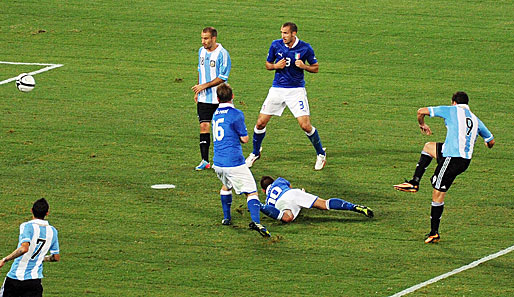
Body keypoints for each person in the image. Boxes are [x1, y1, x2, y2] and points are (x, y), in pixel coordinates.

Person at [393, 91, 495, 243]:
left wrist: (422, 124)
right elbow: (490, 141)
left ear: (454, 102)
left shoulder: (451, 109)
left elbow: (420, 111)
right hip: (462, 159)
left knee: (438, 192)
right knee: (428, 147)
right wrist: (485, 144)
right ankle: (414, 182)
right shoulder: (475, 119)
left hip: (452, 159)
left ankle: (434, 232)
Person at [245, 22, 326, 170]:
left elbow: (316, 68)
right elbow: (268, 64)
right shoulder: (276, 45)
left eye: (286, 33)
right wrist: (276, 66)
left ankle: (321, 154)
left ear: (294, 34)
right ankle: (255, 153)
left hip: (296, 91)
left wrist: (304, 67)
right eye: (282, 33)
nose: (283, 36)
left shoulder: (305, 48)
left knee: (305, 126)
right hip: (277, 89)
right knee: (260, 123)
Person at [211, 83, 271, 237]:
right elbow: (244, 139)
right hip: (234, 163)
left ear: (217, 99)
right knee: (251, 192)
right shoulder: (236, 114)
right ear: (233, 97)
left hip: (217, 163)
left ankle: (226, 218)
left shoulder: (215, 114)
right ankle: (256, 222)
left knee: (226, 186)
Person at [0, 198, 60, 296]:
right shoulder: (53, 231)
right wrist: (40, 258)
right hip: (34, 282)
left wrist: (4, 260)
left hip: (15, 278)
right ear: (47, 213)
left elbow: (24, 248)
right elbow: (56, 257)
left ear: (31, 210)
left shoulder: (26, 226)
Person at [192, 26, 231, 170]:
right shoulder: (201, 51)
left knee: (221, 129)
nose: (203, 41)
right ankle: (204, 160)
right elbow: (200, 70)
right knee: (204, 126)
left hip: (220, 97)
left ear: (214, 38)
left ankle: (223, 159)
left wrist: (204, 86)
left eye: (206, 38)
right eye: (202, 38)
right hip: (204, 98)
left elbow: (223, 77)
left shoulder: (222, 53)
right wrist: (198, 89)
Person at [259, 176, 374, 222]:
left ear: (264, 191)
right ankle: (354, 207)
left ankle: (259, 205)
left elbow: (274, 211)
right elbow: (290, 188)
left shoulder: (268, 200)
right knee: (325, 204)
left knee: (287, 217)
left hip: (280, 203)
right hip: (293, 193)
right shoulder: (279, 180)